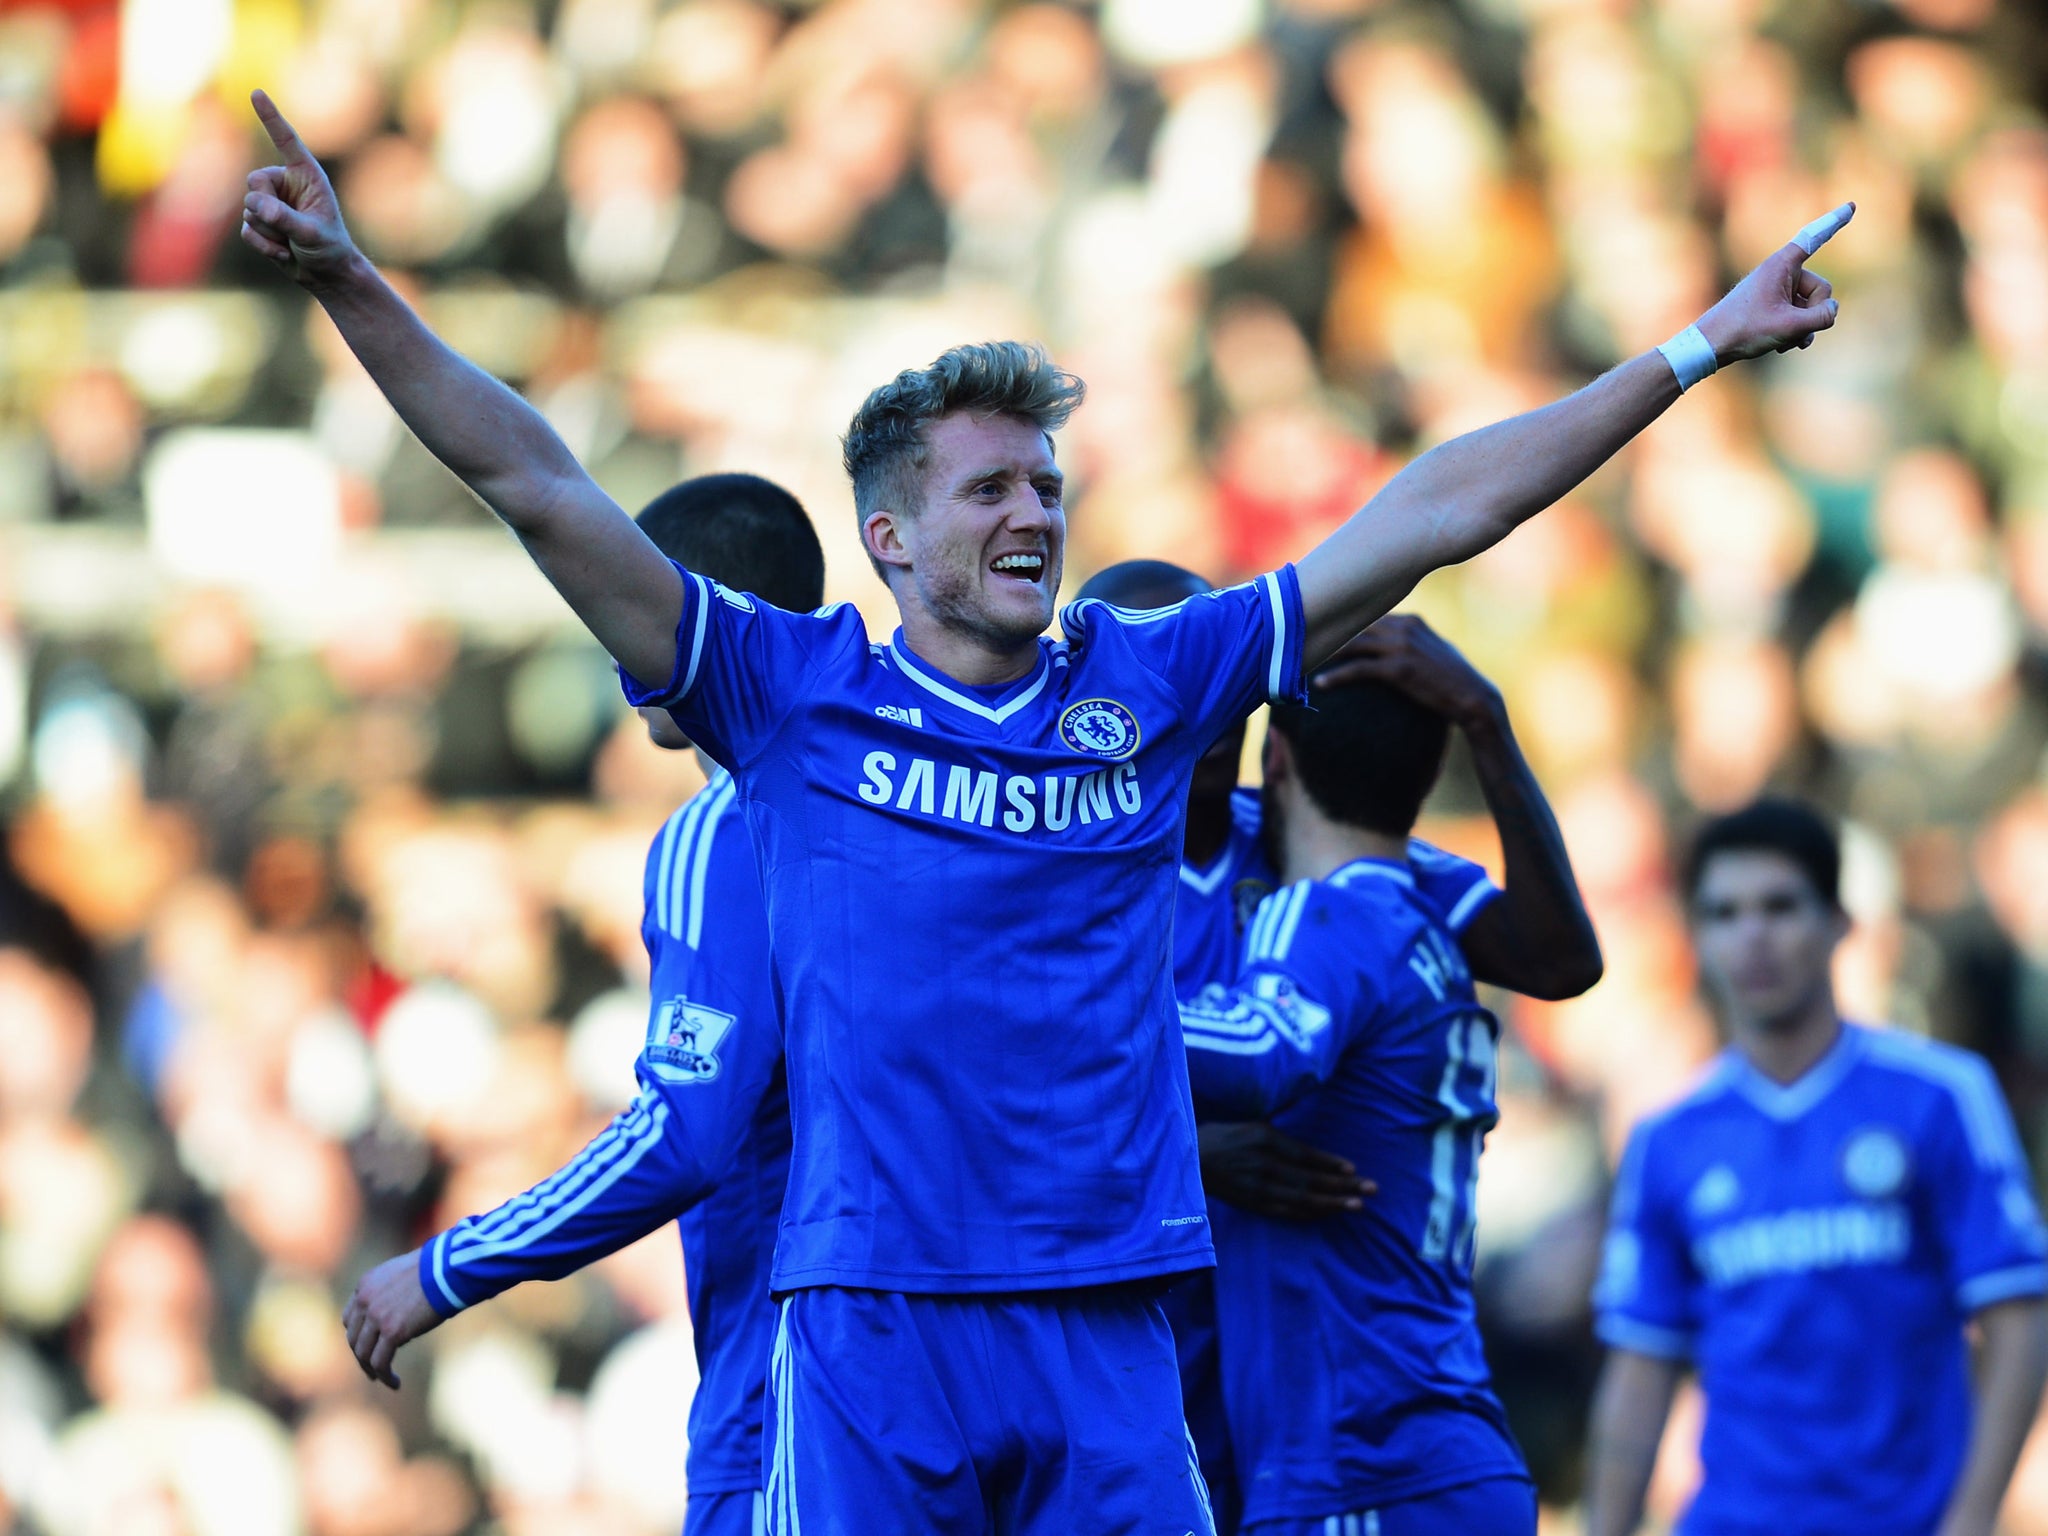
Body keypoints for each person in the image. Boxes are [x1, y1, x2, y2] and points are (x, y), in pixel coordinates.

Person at [240, 85, 1848, 1533]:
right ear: (885, 537)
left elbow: (1436, 508)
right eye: (990, 489)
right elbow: (534, 480)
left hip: (1107, 1328)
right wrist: (350, 281)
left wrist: (1695, 349)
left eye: (1048, 484)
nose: (1036, 512)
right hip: (869, 1330)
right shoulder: (790, 697)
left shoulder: (1149, 683)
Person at [342, 474, 824, 1536]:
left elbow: (683, 1135)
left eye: (613, 604)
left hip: (802, 1389)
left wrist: (446, 1267)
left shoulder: (729, 824)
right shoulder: (913, 791)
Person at [1076, 566, 1600, 1534]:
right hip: (1148, 1423)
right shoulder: (1038, 889)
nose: (1172, 712)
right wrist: (1187, 1153)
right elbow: (973, 1109)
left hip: (1326, 1436)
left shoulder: (1319, 860)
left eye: (1194, 674)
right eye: (1136, 681)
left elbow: (1557, 956)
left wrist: (1482, 721)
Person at [1584, 799, 2048, 1536]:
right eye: (1725, 914)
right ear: (1696, 939)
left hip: (1908, 1520)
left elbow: (2019, 1318)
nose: (1754, 937)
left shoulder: (1940, 1098)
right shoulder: (1668, 1139)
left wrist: (1973, 1517)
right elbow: (1642, 1366)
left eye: (1779, 907)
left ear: (1839, 924)